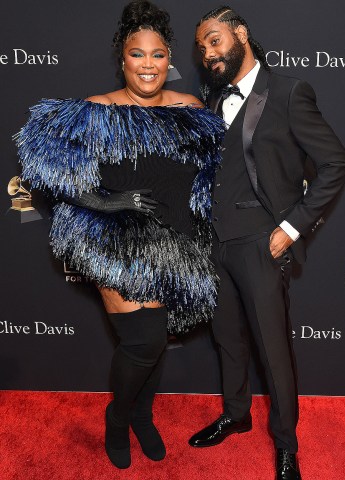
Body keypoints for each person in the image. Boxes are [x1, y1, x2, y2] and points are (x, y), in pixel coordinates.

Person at [15, 0, 224, 470]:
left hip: (174, 243)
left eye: (156, 55)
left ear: (169, 59)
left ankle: (143, 417)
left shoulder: (191, 109)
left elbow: (215, 176)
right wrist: (108, 202)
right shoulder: (94, 111)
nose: (148, 66)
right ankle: (118, 417)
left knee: (155, 338)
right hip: (114, 242)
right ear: (122, 58)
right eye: (137, 54)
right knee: (144, 342)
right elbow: (43, 168)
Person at [191, 6, 345, 480]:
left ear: (240, 34)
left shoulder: (287, 91)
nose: (208, 53)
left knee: (273, 351)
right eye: (201, 47)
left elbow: (335, 164)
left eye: (215, 41)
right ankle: (236, 414)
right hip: (216, 243)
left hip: (262, 242)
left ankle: (286, 445)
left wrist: (292, 227)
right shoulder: (213, 98)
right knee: (227, 339)